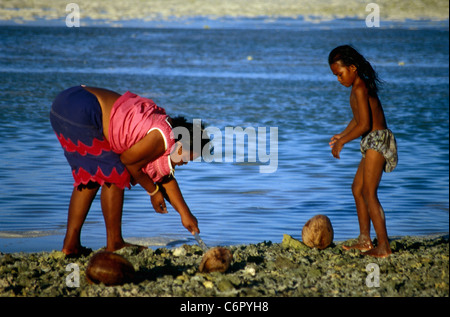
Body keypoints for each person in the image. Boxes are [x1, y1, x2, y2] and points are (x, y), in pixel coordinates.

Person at [50, 85, 210, 257]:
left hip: (64, 104)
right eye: (189, 156)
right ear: (181, 144)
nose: (187, 162)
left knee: (89, 178)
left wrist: (185, 214)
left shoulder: (165, 137)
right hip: (83, 107)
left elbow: (165, 178)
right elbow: (128, 162)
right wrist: (153, 191)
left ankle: (70, 245)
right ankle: (115, 243)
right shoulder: (162, 137)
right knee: (116, 173)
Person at [328, 45, 398, 258]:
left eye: (340, 74)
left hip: (377, 141)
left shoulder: (360, 88)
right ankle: (365, 240)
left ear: (353, 67)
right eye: (335, 76)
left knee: (369, 192)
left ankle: (384, 246)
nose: (339, 79)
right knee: (357, 189)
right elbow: (357, 119)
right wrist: (342, 134)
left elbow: (366, 124)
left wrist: (343, 142)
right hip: (371, 142)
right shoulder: (357, 87)